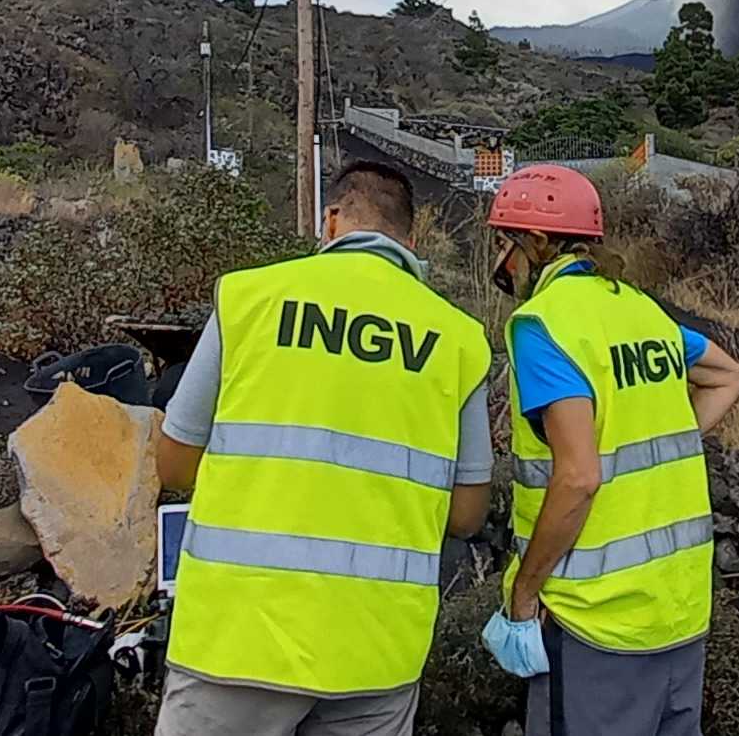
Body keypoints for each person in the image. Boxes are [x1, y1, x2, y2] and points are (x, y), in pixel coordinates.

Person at [154, 160, 494, 736]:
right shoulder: (458, 337)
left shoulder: (248, 299)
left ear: (332, 219)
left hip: (238, 641)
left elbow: (175, 463)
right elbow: (466, 514)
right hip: (377, 651)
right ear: (410, 241)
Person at [482, 164, 739, 736]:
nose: (500, 262)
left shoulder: (542, 327)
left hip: (594, 620)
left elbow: (578, 477)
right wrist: (663, 437)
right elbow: (729, 377)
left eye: (504, 242)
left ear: (535, 242)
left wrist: (524, 593)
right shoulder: (641, 309)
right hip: (679, 609)